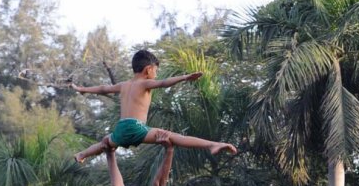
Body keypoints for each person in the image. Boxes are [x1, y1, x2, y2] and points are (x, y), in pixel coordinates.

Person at [72, 49, 236, 162]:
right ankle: (212, 144)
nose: (156, 74)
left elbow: (102, 88)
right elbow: (164, 83)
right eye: (155, 70)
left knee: (105, 142)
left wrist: (83, 89)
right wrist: (185, 77)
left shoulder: (123, 85)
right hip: (136, 127)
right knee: (176, 138)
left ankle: (81, 154)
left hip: (120, 129)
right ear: (148, 69)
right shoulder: (145, 84)